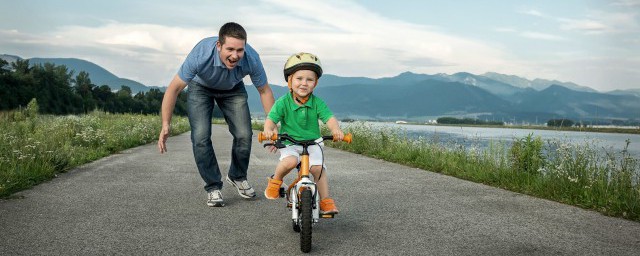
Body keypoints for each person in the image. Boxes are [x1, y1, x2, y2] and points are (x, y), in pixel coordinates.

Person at [157, 22, 275, 207]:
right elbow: (174, 89)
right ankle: (213, 187)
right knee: (201, 136)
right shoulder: (201, 54)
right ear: (219, 45)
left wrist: (272, 124)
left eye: (239, 50)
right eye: (230, 49)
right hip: (200, 87)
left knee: (244, 134)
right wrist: (166, 123)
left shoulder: (251, 57)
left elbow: (265, 91)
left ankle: (237, 176)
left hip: (233, 88)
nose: (235, 56)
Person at [261, 52, 343, 214]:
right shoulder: (283, 102)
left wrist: (336, 130)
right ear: (290, 81)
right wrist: (268, 130)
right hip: (290, 142)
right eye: (299, 79)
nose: (304, 83)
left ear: (315, 83)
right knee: (290, 161)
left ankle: (326, 201)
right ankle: (275, 181)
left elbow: (330, 118)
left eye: (309, 79)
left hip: (313, 142)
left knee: (318, 169)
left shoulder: (317, 102)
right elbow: (271, 119)